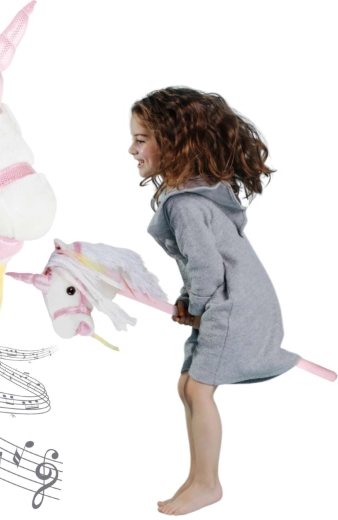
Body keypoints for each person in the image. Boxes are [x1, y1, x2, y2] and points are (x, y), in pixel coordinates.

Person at [128, 87, 300, 515]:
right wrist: (189, 300)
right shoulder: (197, 196)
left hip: (235, 308)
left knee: (198, 389)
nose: (131, 149)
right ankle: (196, 477)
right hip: (234, 301)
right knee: (187, 385)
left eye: (141, 139)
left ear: (174, 143)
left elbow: (205, 267)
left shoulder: (185, 205)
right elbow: (204, 265)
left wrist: (197, 305)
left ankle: (208, 483)